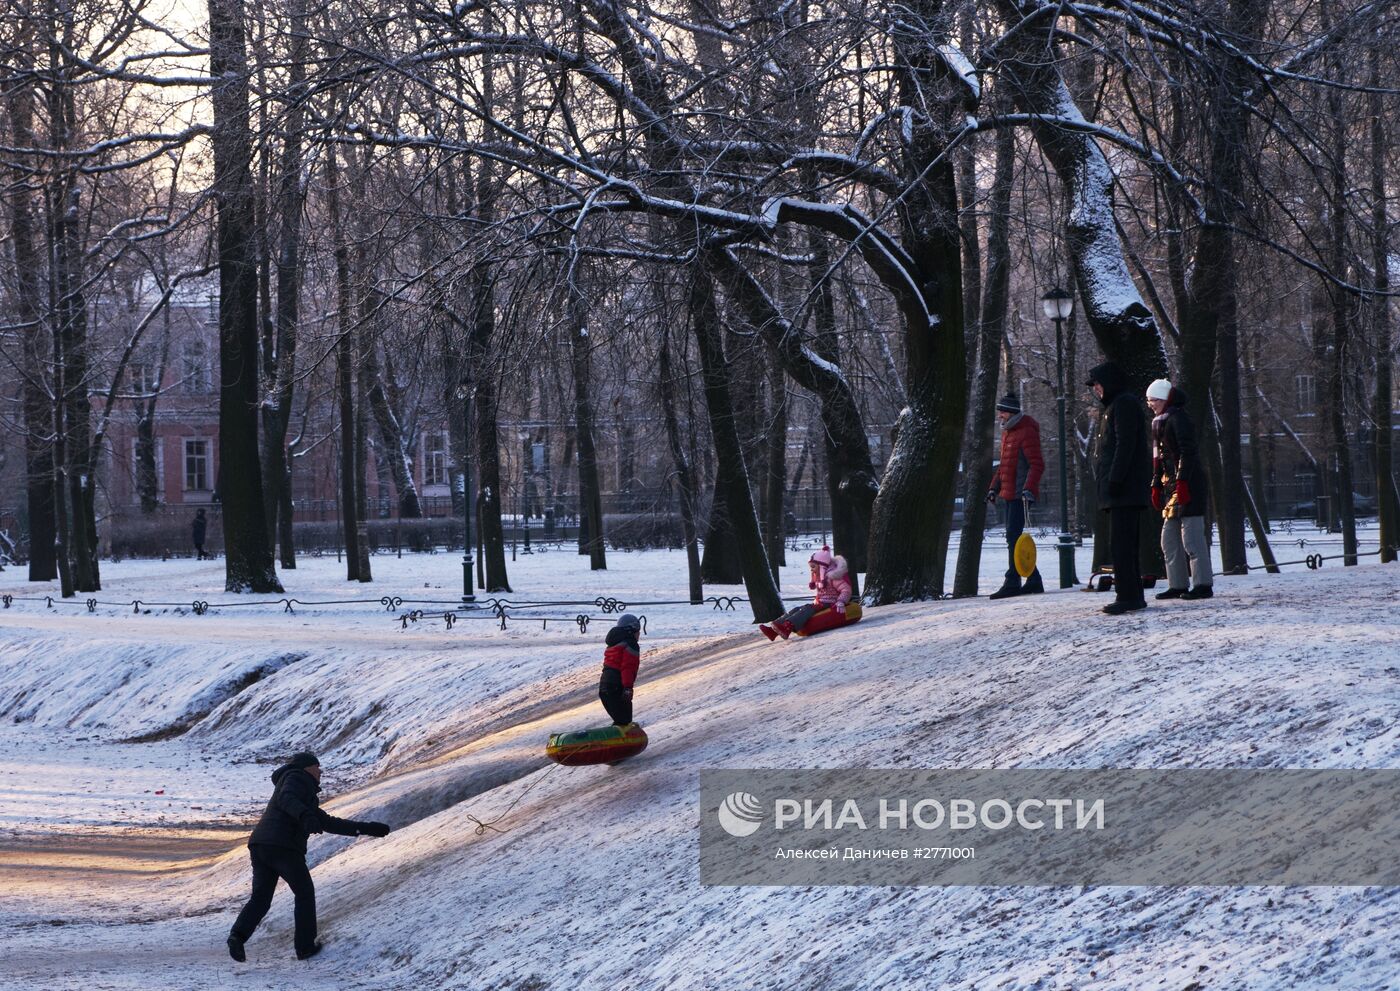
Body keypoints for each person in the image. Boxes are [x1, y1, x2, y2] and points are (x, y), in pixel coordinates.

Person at [228, 752, 391, 963]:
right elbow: (287, 798)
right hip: (283, 845)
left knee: (261, 898)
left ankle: (237, 937)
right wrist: (304, 816)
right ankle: (304, 947)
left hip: (261, 845)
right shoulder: (296, 778)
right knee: (304, 893)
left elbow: (327, 822)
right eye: (317, 766)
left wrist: (367, 829)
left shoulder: (303, 793)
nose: (320, 771)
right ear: (307, 768)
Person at [1086, 361, 1152, 615]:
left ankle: (1128, 595)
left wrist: (1115, 479)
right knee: (1123, 544)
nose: (1097, 389)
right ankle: (1131, 594)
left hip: (1124, 490)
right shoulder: (1118, 405)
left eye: (1099, 384)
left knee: (1122, 545)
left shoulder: (1123, 404)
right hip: (1123, 490)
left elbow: (1125, 445)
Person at [1147, 379, 1214, 600]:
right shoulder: (1160, 421)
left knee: (1192, 538)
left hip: (1188, 483)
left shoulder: (1179, 419)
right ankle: (1178, 584)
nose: (1151, 404)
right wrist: (1157, 483)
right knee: (1169, 539)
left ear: (1165, 399)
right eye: (1149, 401)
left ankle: (1203, 584)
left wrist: (1183, 480)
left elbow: (1188, 451)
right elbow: (1159, 458)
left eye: (1154, 400)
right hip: (1172, 485)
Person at [984, 393, 1046, 599]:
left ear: (1010, 412)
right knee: (1014, 537)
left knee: (1013, 536)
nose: (999, 415)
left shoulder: (1026, 432)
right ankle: (1033, 579)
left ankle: (1013, 581)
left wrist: (1028, 489)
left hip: (1021, 494)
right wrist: (994, 488)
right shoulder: (1008, 433)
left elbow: (1037, 464)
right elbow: (1004, 466)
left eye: (1002, 411)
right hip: (1010, 493)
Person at [760, 547, 853, 640]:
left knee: (807, 609)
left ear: (822, 566)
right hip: (821, 603)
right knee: (798, 609)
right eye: (810, 567)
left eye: (813, 567)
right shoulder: (821, 577)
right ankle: (774, 629)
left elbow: (846, 590)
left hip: (831, 603)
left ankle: (787, 627)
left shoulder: (833, 577)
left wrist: (841, 601)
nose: (811, 570)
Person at [599, 613, 642, 727]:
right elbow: (628, 667)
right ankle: (621, 741)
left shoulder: (614, 642)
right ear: (631, 630)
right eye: (638, 631)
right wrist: (628, 687)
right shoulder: (630, 644)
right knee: (624, 719)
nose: (639, 635)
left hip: (605, 683)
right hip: (617, 684)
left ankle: (615, 737)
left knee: (620, 719)